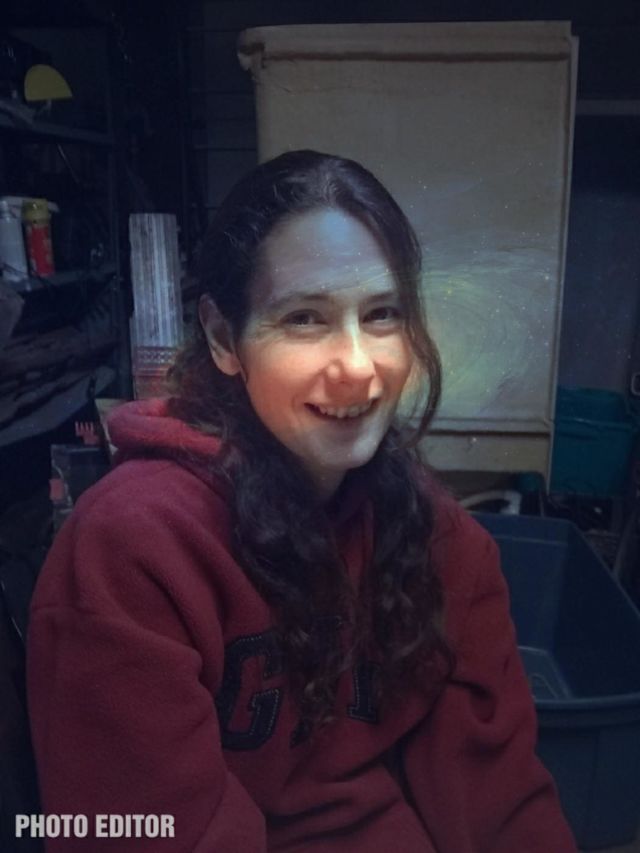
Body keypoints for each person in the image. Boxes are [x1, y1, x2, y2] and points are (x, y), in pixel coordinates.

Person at [27, 150, 577, 852]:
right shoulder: (135, 548)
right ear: (224, 338)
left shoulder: (441, 540)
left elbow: (500, 801)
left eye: (381, 315)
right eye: (305, 319)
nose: (356, 367)